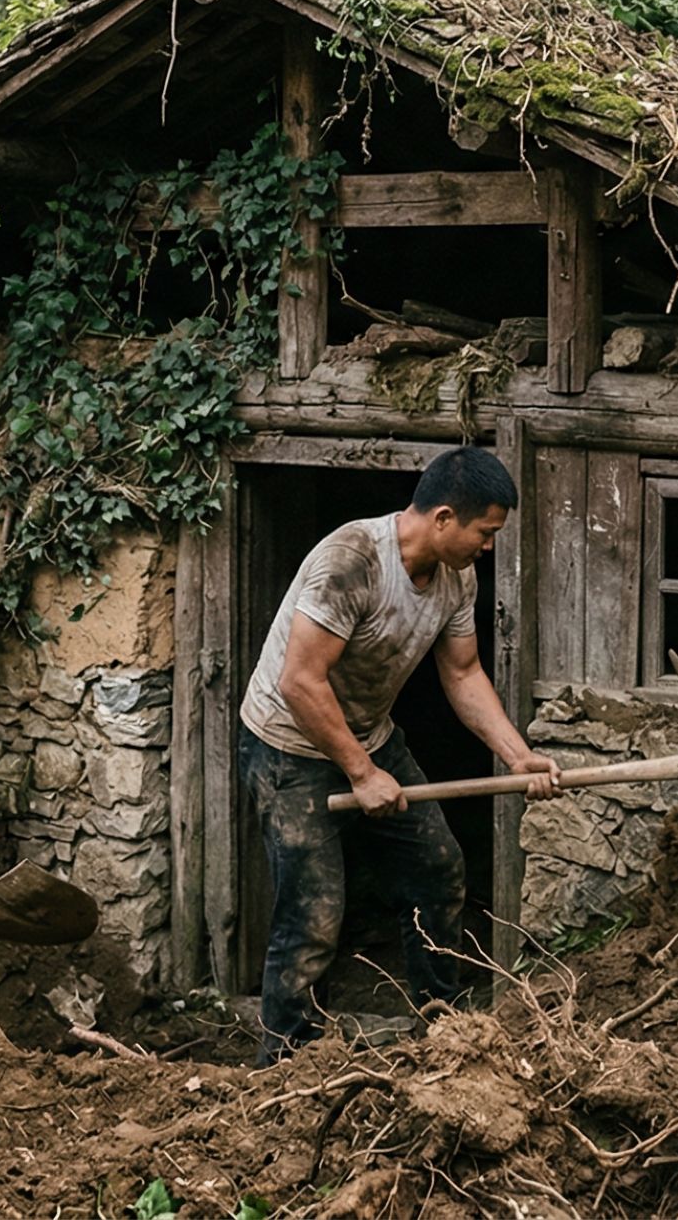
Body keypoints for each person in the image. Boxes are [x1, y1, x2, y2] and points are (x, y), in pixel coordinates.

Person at [236, 446, 562, 1065]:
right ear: (444, 518)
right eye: (485, 532)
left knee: (438, 869)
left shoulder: (455, 578)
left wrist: (517, 755)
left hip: (371, 734)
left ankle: (442, 1030)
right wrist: (361, 772)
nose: (488, 547)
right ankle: (285, 1064)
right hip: (288, 746)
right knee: (313, 911)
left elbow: (463, 673)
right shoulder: (352, 561)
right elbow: (301, 682)